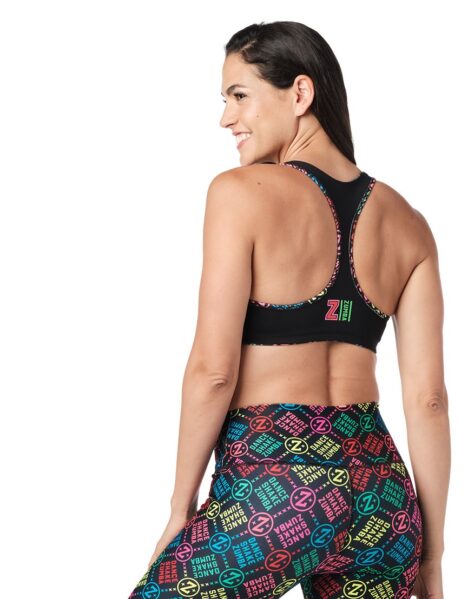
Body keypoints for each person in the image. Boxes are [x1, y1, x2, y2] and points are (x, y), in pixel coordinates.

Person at [127, 20, 450, 599]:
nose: (226, 118)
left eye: (239, 95)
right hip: (382, 500)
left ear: (300, 93)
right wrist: (431, 553)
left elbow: (213, 372)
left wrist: (181, 509)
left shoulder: (239, 193)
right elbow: (429, 400)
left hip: (273, 489)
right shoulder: (411, 226)